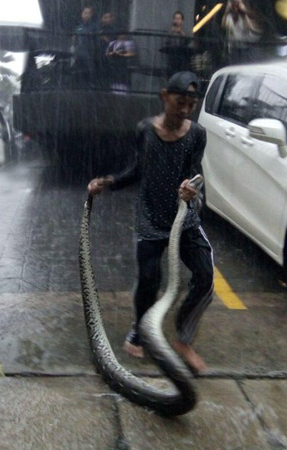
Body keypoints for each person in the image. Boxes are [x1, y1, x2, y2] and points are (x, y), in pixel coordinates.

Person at [87, 71, 213, 374]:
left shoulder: (197, 134)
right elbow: (136, 170)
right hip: (151, 220)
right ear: (164, 96)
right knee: (149, 280)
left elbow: (195, 173)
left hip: (184, 220)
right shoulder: (145, 129)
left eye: (190, 104)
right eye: (179, 102)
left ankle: (183, 337)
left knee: (205, 277)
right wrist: (107, 182)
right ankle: (140, 328)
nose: (184, 109)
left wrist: (191, 188)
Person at [72, 5, 98, 87]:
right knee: (77, 76)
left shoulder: (95, 27)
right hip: (79, 55)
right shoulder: (78, 28)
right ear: (82, 14)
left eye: (88, 13)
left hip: (90, 56)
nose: (86, 14)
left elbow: (97, 41)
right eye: (85, 12)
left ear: (92, 15)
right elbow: (74, 41)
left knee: (89, 78)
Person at [164, 11, 191, 77]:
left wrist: (181, 33)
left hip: (182, 58)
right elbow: (166, 41)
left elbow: (188, 41)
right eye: (176, 18)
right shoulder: (170, 30)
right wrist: (171, 32)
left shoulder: (186, 31)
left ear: (182, 21)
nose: (177, 20)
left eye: (179, 19)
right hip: (172, 58)